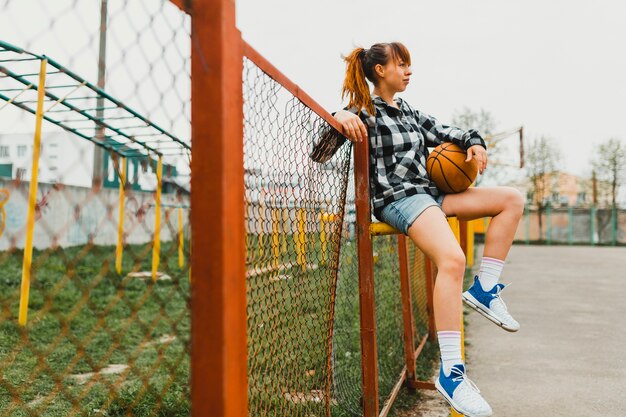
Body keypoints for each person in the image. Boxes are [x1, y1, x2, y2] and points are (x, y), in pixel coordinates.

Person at [332, 42, 524, 417]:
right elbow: (319, 151)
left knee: (511, 199)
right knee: (452, 259)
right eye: (401, 64)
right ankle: (451, 375)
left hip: (431, 195)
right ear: (380, 71)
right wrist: (337, 116)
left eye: (409, 64)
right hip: (399, 200)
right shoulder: (362, 112)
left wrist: (475, 143)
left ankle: (485, 289)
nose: (408, 70)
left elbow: (448, 130)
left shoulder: (408, 112)